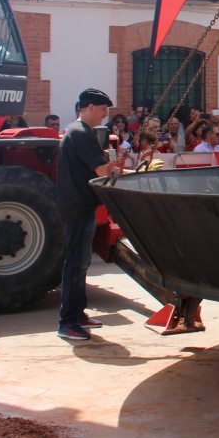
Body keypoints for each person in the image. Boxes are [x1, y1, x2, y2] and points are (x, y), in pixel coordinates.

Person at [56, 88, 123, 341]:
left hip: (77, 206)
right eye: (103, 110)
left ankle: (78, 313)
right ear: (90, 107)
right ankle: (68, 321)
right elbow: (102, 170)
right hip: (78, 208)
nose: (105, 115)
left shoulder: (75, 131)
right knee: (75, 264)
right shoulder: (82, 134)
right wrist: (120, 170)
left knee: (80, 262)